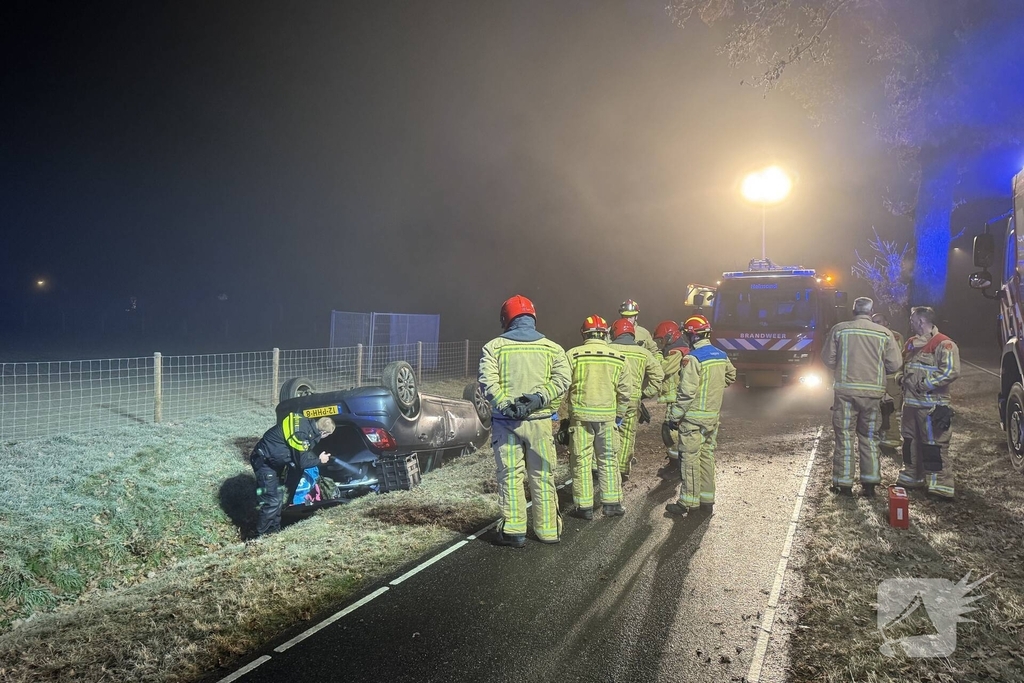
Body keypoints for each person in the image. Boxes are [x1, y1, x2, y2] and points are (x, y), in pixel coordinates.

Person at [479, 295, 571, 546]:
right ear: (532, 317)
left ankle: (514, 531)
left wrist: (505, 404)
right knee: (542, 475)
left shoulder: (493, 347)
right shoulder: (553, 348)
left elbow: (487, 381)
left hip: (505, 423)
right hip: (539, 423)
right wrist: (539, 399)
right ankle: (548, 531)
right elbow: (563, 380)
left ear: (506, 319)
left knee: (510, 475)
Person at [821, 297, 902, 496]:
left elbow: (828, 360)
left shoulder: (840, 330)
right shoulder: (884, 333)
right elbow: (894, 365)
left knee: (845, 438)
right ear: (871, 310)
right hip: (873, 395)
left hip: (846, 394)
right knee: (870, 438)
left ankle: (843, 484)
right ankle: (870, 484)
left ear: (853, 310)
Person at [665, 314, 736, 517]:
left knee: (689, 459)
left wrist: (674, 416)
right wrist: (713, 387)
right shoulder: (721, 355)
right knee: (707, 457)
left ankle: (688, 502)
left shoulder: (693, 359)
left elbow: (686, 393)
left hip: (693, 419)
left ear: (693, 336)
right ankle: (707, 500)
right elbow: (731, 375)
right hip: (712, 418)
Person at [564, 315, 633, 519]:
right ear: (605, 334)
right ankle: (611, 504)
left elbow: (562, 385)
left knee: (581, 461)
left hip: (580, 418)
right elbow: (625, 391)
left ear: (584, 333)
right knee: (608, 460)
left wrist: (554, 412)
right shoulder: (619, 357)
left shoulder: (573, 355)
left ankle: (584, 507)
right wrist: (619, 414)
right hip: (607, 419)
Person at [897, 306, 960, 499]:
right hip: (910, 405)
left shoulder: (944, 344)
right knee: (909, 442)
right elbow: (902, 365)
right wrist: (900, 378)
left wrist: (925, 384)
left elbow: (951, 371)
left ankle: (940, 485)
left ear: (921, 321)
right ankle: (912, 476)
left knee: (934, 446)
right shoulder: (910, 344)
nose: (910, 322)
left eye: (912, 319)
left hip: (932, 406)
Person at [250, 414, 336, 537]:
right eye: (327, 436)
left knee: (277, 499)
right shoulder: (301, 434)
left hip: (273, 462)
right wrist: (319, 460)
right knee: (271, 501)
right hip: (264, 463)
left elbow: (301, 453)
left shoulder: (307, 424)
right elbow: (302, 462)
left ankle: (273, 533)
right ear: (323, 432)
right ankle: (261, 537)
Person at [609, 317, 664, 478]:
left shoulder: (607, 349)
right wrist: (646, 393)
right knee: (626, 435)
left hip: (609, 400)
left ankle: (601, 466)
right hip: (632, 400)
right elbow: (658, 376)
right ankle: (621, 469)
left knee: (606, 433)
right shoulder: (644, 353)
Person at [652, 320, 690, 462]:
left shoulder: (676, 352)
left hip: (676, 396)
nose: (661, 343)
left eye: (662, 339)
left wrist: (656, 355)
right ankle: (676, 458)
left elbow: (663, 369)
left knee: (669, 429)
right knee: (670, 429)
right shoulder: (676, 349)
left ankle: (678, 460)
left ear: (670, 336)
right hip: (675, 395)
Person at [872, 312, 906, 450]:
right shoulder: (874, 336)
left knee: (890, 410)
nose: (877, 324)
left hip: (891, 379)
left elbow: (894, 358)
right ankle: (883, 437)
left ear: (886, 323)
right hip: (877, 379)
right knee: (879, 410)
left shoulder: (894, 336)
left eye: (879, 321)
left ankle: (892, 440)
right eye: (874, 322)